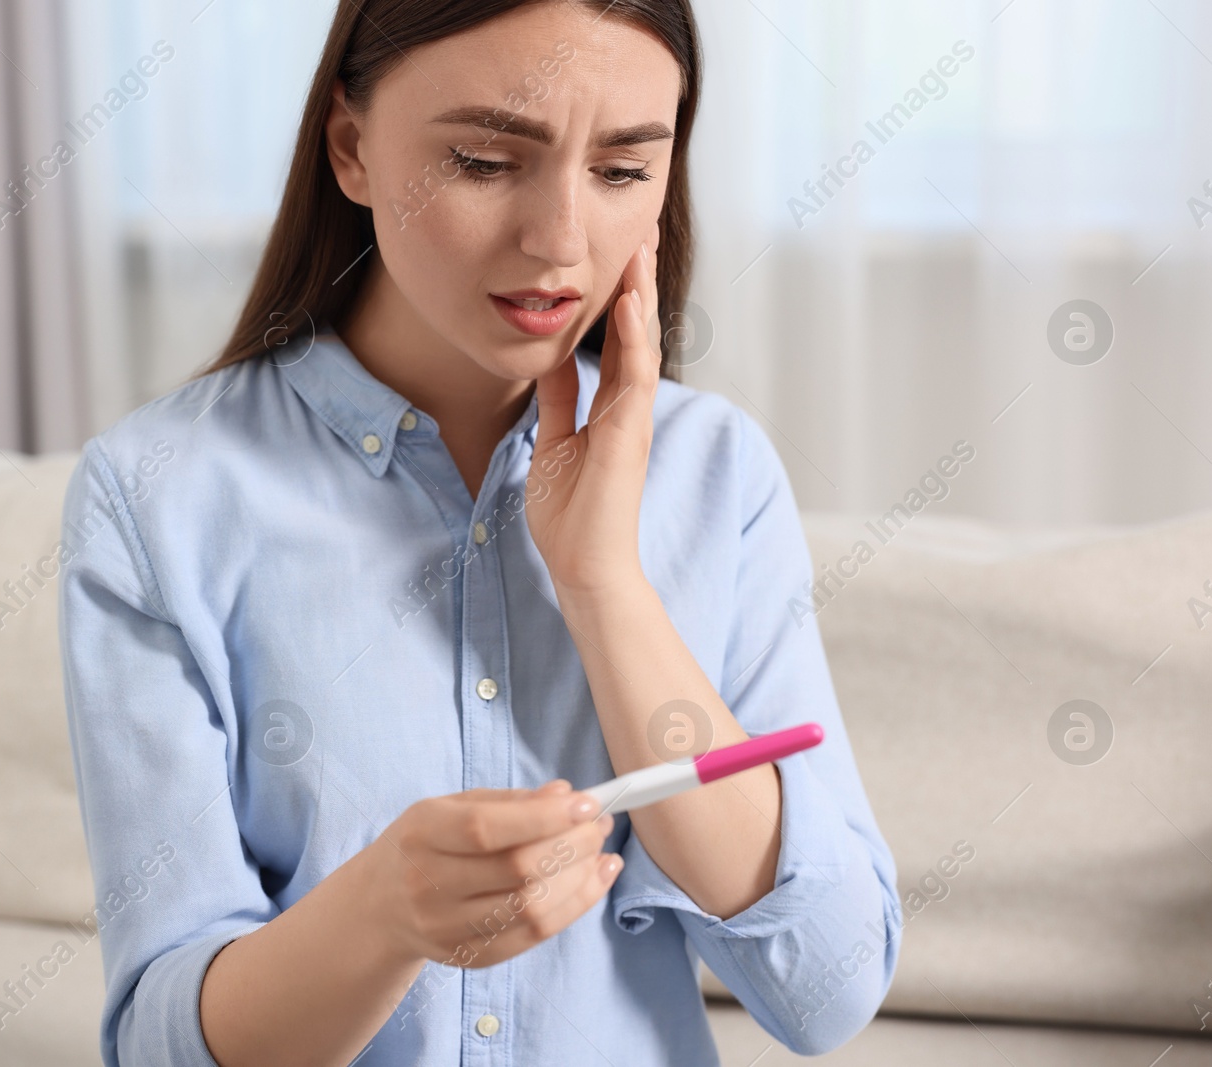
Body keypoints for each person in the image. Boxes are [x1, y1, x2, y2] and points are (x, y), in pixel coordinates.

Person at [57, 1, 901, 1064]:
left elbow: (826, 988)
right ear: (353, 148)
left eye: (623, 172)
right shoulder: (159, 497)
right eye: (485, 161)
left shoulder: (715, 476)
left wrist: (604, 586)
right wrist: (382, 914)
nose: (558, 242)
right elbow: (161, 1040)